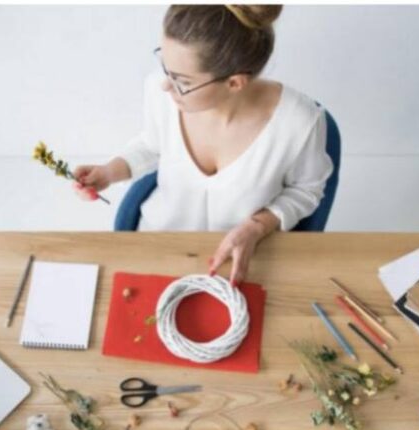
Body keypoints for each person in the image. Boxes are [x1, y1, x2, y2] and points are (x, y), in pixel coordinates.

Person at [73, 4, 333, 285]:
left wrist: (257, 226)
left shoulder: (300, 122)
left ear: (234, 83)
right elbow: (152, 145)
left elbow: (306, 190)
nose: (166, 86)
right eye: (165, 67)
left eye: (182, 81)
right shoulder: (161, 93)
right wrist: (108, 172)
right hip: (159, 247)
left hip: (242, 260)